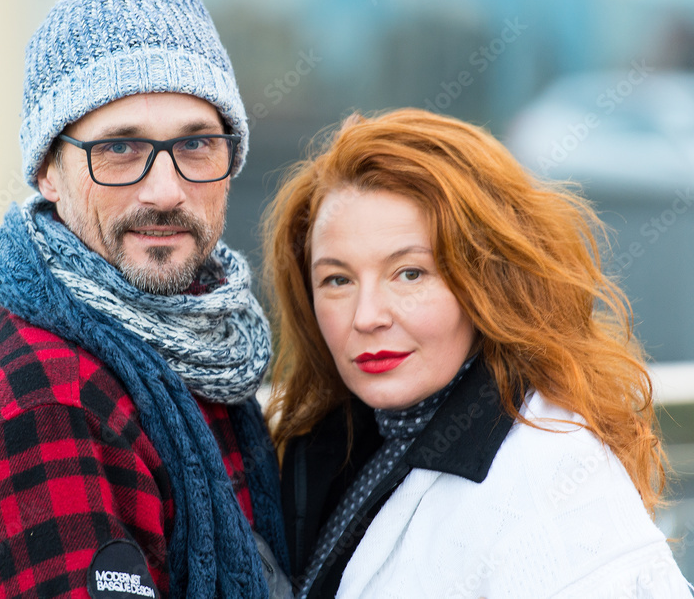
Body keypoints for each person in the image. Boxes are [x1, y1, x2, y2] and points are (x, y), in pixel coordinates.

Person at [0, 0, 289, 599]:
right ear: (47, 173)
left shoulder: (189, 340)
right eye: (120, 147)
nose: (166, 190)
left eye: (197, 143)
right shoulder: (40, 407)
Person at [262, 108, 693, 598]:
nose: (367, 316)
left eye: (410, 273)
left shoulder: (552, 474)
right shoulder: (339, 445)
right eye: (337, 279)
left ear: (488, 281)